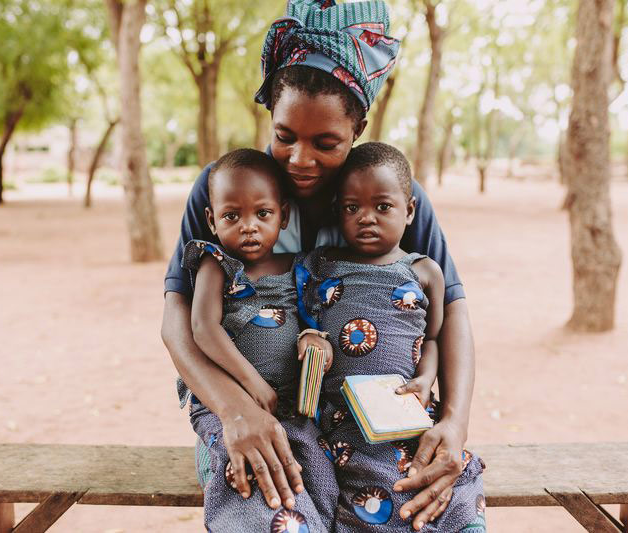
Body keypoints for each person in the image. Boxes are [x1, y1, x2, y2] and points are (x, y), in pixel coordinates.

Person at [162, 0, 480, 528]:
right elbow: (179, 322)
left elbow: (454, 313)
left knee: (428, 513)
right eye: (284, 135)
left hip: (372, 428)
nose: (300, 159)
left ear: (357, 126)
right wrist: (232, 408)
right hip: (252, 417)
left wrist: (455, 422)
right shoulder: (229, 189)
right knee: (275, 511)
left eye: (325, 142)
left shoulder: (387, 192)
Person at [297, 142, 485, 532]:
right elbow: (300, 318)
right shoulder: (321, 266)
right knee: (359, 488)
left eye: (382, 207)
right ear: (338, 212)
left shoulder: (424, 272)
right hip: (341, 415)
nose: (366, 218)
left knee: (439, 480)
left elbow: (433, 338)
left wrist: (425, 380)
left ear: (410, 210)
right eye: (352, 208)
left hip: (405, 410)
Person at [180, 148, 339, 531]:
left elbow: (311, 321)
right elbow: (203, 328)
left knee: (319, 479)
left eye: (262, 214)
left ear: (283, 215)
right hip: (227, 405)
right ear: (211, 220)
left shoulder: (299, 267)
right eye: (232, 216)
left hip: (291, 411)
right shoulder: (216, 265)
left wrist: (316, 341)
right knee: (253, 480)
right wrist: (251, 383)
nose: (248, 226)